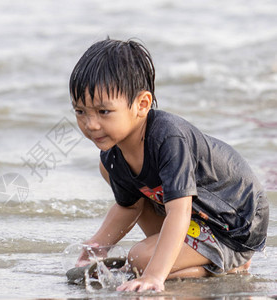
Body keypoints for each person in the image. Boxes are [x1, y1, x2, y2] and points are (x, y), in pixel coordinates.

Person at [69, 38, 269, 292]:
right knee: (111, 176)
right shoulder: (113, 157)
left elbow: (180, 212)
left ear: (142, 105)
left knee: (139, 258)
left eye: (103, 112)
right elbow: (129, 208)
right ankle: (176, 258)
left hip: (235, 224)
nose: (91, 124)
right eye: (80, 112)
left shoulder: (168, 139)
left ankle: (227, 263)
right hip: (198, 219)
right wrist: (97, 245)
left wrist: (153, 275)